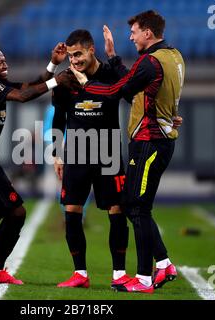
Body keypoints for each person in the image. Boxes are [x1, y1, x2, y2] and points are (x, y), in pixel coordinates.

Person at [70, 10, 185, 293]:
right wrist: (113, 57)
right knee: (137, 206)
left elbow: (118, 89)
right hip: (158, 138)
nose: (130, 37)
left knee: (137, 208)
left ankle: (146, 278)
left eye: (134, 32)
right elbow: (142, 87)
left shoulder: (150, 62)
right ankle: (164, 264)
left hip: (149, 142)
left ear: (148, 32)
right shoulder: (173, 56)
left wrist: (87, 86)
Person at [0, 43, 77, 285]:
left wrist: (53, 64)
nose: (5, 63)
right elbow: (24, 97)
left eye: (5, 59)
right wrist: (57, 81)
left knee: (12, 214)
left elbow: (30, 87)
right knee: (17, 212)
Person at [51, 30, 130, 289]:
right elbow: (58, 118)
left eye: (78, 54)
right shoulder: (65, 80)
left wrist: (114, 55)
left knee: (116, 211)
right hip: (76, 154)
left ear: (91, 49)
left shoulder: (110, 73)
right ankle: (80, 274)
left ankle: (119, 275)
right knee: (72, 211)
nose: (73, 60)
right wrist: (56, 153)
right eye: (70, 56)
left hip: (108, 152)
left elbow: (131, 89)